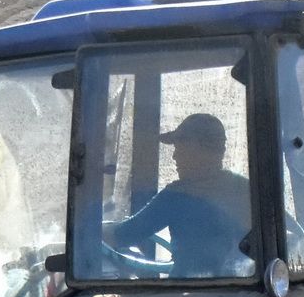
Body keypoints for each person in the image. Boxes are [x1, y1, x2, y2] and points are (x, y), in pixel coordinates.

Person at [104, 112, 253, 277]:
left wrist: (88, 233)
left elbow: (125, 235)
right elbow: (286, 233)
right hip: (238, 292)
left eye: (180, 147)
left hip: (186, 294)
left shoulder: (178, 196)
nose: (175, 156)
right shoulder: (246, 190)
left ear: (203, 152)